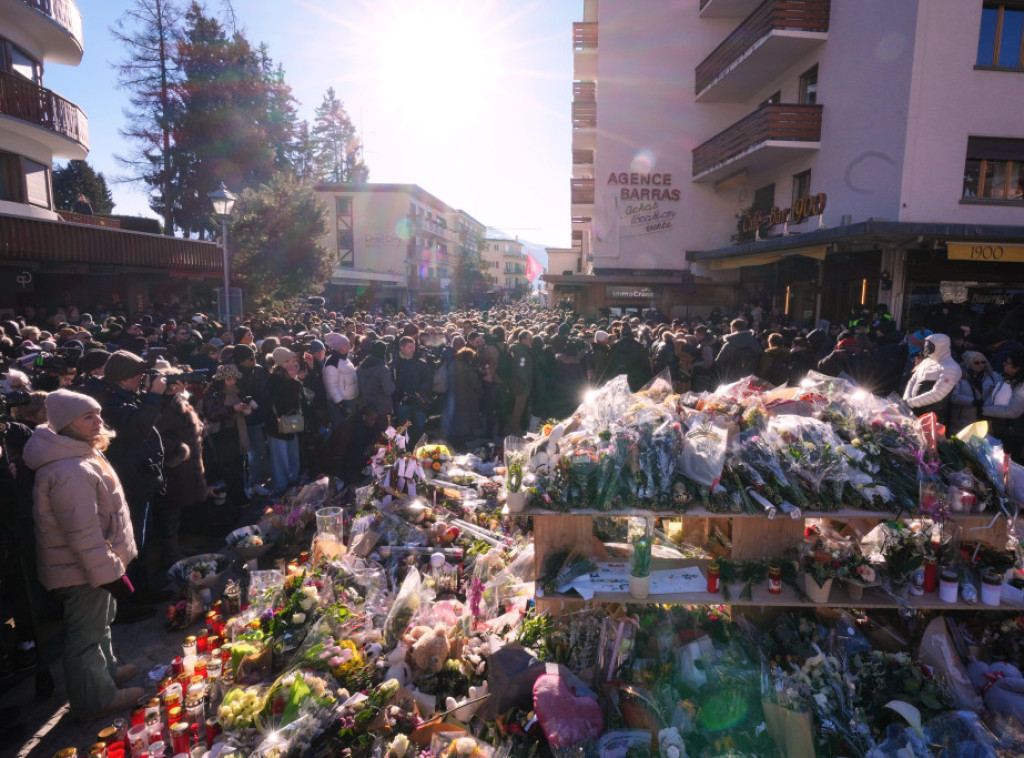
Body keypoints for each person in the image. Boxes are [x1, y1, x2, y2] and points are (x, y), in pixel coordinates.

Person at [23, 390, 143, 720]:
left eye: (98, 413)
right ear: (66, 425)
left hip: (91, 564)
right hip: (81, 569)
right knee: (86, 633)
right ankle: (95, 699)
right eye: (87, 417)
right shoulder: (68, 469)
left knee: (100, 621)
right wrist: (108, 573)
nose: (98, 421)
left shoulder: (78, 454)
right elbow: (83, 533)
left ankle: (105, 672)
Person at [80, 350, 170, 614]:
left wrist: (165, 395)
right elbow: (135, 428)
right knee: (129, 544)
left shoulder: (119, 393)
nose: (141, 380)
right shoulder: (105, 400)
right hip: (129, 479)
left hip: (141, 476)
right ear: (124, 378)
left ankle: (142, 590)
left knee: (140, 540)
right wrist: (154, 395)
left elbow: (145, 416)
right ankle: (128, 602)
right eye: (138, 376)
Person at [153, 372, 208, 567]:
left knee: (177, 509)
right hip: (173, 466)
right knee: (170, 509)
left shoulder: (176, 401)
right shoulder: (161, 405)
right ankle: (170, 553)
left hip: (185, 465)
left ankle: (175, 547)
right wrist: (178, 451)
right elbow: (154, 434)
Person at [265, 347, 303, 496]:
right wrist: (295, 382)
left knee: (293, 455)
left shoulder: (288, 377)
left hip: (291, 422)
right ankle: (280, 490)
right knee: (280, 460)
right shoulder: (275, 379)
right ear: (283, 363)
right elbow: (283, 403)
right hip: (277, 425)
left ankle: (292, 485)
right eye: (291, 361)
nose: (295, 364)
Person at [903, 333, 962, 426]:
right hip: (912, 412)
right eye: (925, 346)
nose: (926, 349)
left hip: (932, 417)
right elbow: (912, 381)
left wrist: (910, 403)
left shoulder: (952, 367)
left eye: (930, 346)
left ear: (941, 346)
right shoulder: (926, 362)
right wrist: (906, 399)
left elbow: (938, 394)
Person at [983, 350, 1024, 464]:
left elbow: (1013, 411)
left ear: (1017, 368)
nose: (1003, 364)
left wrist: (984, 410)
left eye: (1007, 363)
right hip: (1000, 429)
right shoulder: (1006, 379)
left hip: (1013, 434)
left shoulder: (1021, 386)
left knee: (1010, 466)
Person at [949, 351, 997, 433]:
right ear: (969, 362)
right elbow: (953, 396)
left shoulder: (992, 376)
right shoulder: (959, 376)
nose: (980, 365)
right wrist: (972, 401)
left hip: (983, 418)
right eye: (976, 362)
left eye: (983, 362)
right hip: (962, 420)